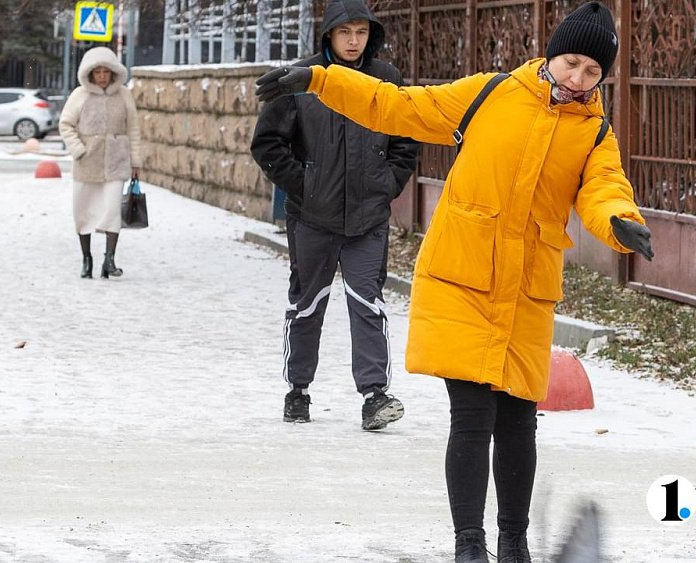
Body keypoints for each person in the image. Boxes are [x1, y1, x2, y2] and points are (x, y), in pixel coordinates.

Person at [255, 1, 653, 561]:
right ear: (550, 54)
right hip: (462, 278)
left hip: (525, 291)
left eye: (592, 72)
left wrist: (620, 222)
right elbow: (396, 105)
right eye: (571, 63)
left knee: (518, 420)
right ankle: (471, 544)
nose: (578, 79)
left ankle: (514, 544)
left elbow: (603, 188)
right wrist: (321, 79)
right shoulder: (490, 93)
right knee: (471, 415)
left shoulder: (595, 133)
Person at [251, 0, 419, 431]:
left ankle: (375, 396)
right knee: (308, 305)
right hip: (313, 216)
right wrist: (303, 184)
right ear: (329, 35)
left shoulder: (387, 80)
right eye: (345, 32)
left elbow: (407, 139)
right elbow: (267, 143)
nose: (353, 40)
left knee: (368, 300)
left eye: (361, 32)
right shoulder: (299, 80)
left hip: (368, 217)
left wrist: (388, 184)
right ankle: (298, 389)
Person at [59, 47, 141, 279]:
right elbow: (65, 124)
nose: (102, 76)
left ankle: (110, 259)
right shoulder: (79, 95)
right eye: (98, 72)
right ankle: (87, 258)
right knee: (83, 212)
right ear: (90, 73)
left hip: (116, 161)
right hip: (87, 162)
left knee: (113, 209)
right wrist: (78, 150)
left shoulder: (124, 94)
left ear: (114, 72)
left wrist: (136, 161)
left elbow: (133, 128)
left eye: (106, 71)